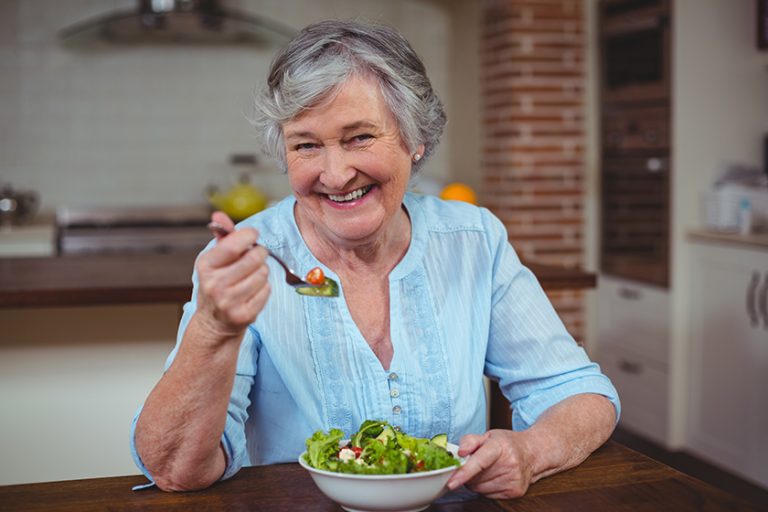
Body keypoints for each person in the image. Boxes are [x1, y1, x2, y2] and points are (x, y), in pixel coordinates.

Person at [131, 19, 619, 498]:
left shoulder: (473, 241)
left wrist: (532, 450)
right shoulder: (249, 257)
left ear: (415, 138)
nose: (336, 173)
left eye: (359, 137)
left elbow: (579, 393)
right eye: (306, 145)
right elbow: (176, 469)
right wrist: (213, 330)